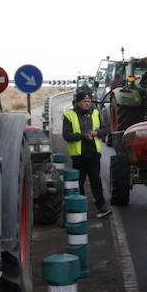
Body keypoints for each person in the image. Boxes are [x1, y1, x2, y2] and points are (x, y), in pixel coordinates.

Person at [63, 89, 111, 217]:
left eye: (89, 101)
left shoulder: (96, 113)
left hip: (94, 154)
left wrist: (97, 133)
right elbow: (66, 135)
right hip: (79, 156)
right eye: (84, 101)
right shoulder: (69, 115)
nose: (87, 104)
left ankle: (102, 207)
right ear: (77, 103)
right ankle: (81, 209)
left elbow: (105, 129)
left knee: (96, 180)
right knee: (79, 183)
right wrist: (83, 136)